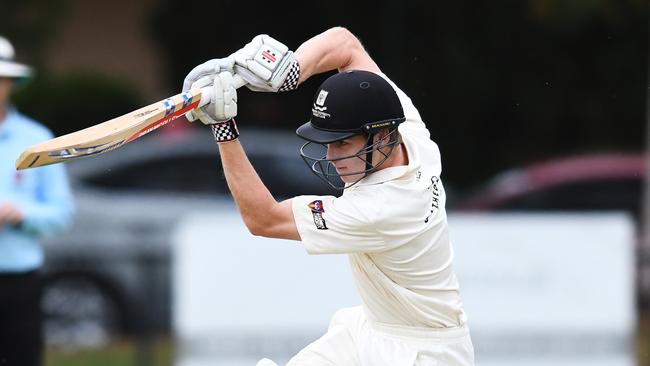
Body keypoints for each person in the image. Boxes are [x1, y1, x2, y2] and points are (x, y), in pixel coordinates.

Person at [183, 27, 474, 366]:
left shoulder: (380, 210)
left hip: (423, 352)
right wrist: (290, 71)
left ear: (379, 137)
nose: (332, 156)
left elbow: (264, 218)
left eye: (342, 143)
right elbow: (344, 44)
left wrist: (223, 130)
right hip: (372, 327)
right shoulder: (408, 131)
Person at [0, 36, 74, 366]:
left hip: (18, 279)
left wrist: (21, 213)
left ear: (10, 84)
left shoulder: (36, 138)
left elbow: (61, 213)